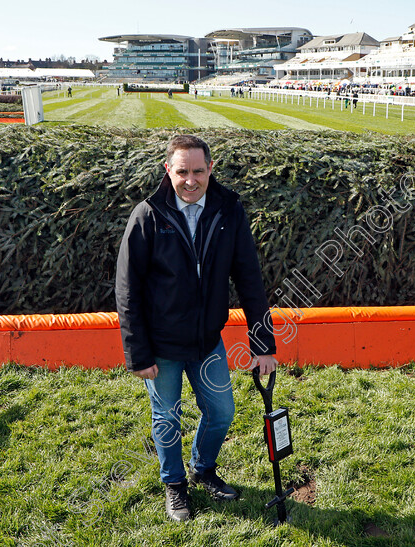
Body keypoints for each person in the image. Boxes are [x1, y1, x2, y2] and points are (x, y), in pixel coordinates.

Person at [116, 135, 277, 522]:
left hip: (207, 342)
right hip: (161, 347)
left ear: (210, 170)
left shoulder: (228, 209)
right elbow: (127, 289)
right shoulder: (148, 214)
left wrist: (263, 343)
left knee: (221, 412)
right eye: (182, 171)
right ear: (167, 170)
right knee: (167, 419)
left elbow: (250, 280)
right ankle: (174, 485)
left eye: (198, 171)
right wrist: (138, 354)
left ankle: (203, 470)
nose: (191, 180)